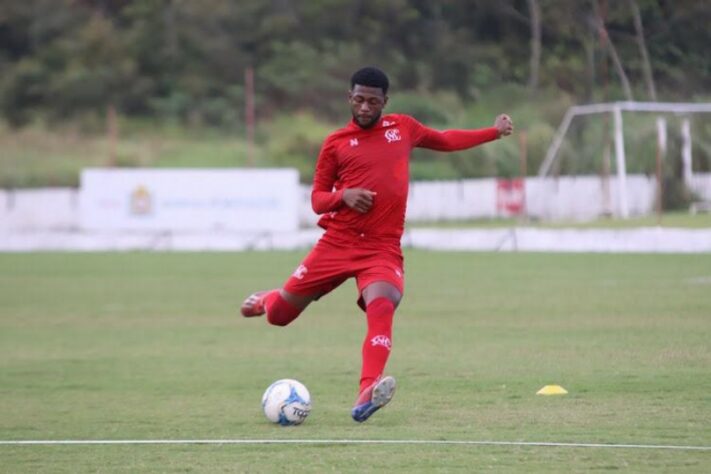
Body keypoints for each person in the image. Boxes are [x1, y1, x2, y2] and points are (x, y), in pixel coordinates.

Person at [241, 66, 514, 423]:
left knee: (382, 305)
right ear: (349, 99)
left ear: (385, 101)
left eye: (373, 101)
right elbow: (317, 199)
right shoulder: (336, 143)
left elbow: (446, 140)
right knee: (279, 317)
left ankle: (366, 392)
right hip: (337, 244)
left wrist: (493, 132)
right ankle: (268, 299)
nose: (365, 107)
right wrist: (345, 196)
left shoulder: (403, 128)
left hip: (382, 248)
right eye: (359, 99)